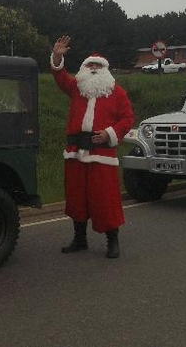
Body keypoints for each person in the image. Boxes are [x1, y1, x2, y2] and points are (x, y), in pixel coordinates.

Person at [51, 35, 134, 258]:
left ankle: (112, 241)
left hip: (102, 155)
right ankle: (80, 239)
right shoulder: (76, 88)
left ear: (105, 70)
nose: (94, 68)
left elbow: (127, 118)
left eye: (98, 65)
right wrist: (57, 56)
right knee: (76, 199)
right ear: (84, 69)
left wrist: (109, 134)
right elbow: (60, 77)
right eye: (90, 65)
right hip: (76, 153)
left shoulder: (117, 93)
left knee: (105, 199)